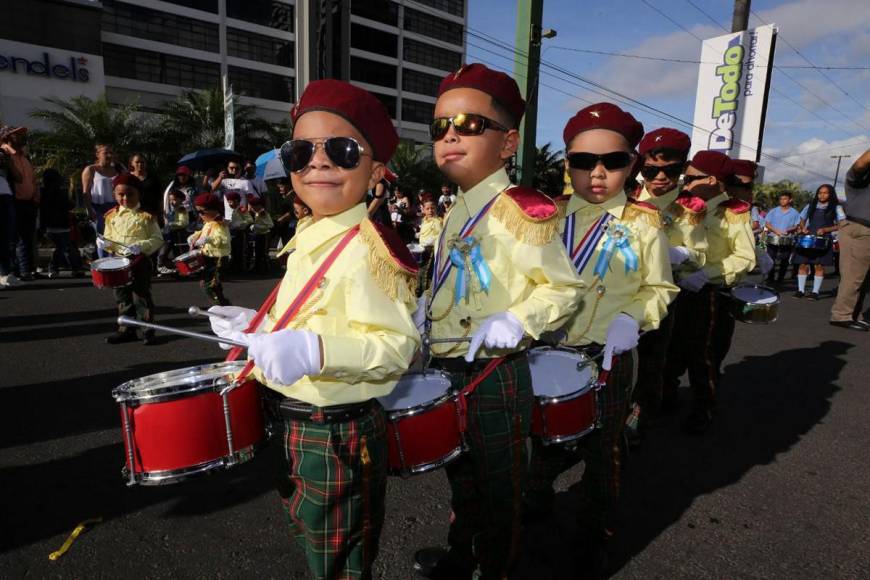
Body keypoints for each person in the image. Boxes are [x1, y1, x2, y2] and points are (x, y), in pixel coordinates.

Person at [209, 79, 419, 579]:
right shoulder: (310, 232)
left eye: (343, 151)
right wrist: (257, 327)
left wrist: (316, 351)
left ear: (376, 172)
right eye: (302, 151)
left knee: (338, 559)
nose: (319, 162)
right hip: (292, 418)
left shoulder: (371, 247)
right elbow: (309, 307)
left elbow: (397, 348)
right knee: (311, 536)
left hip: (336, 428)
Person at [418, 63, 583, 580]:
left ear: (508, 142)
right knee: (460, 476)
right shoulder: (454, 210)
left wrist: (520, 317)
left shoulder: (521, 207)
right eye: (440, 126)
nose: (450, 136)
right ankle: (460, 555)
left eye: (468, 124)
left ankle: (497, 567)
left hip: (494, 369)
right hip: (448, 363)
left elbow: (564, 287)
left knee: (499, 483)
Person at [524, 104, 677, 575]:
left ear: (632, 164)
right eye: (582, 161)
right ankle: (535, 499)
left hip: (606, 355)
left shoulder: (643, 222)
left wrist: (634, 317)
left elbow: (659, 288)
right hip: (546, 352)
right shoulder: (542, 217)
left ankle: (595, 537)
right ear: (566, 163)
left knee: (603, 452)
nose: (597, 173)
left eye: (612, 161)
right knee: (540, 441)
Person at [665, 151, 755, 433]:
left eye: (691, 178)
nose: (686, 184)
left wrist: (707, 274)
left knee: (703, 354)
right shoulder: (681, 206)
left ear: (712, 179)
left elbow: (745, 257)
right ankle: (666, 398)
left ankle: (704, 408)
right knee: (671, 349)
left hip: (710, 294)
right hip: (675, 289)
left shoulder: (733, 212)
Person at [624, 127, 701, 442]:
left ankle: (640, 418)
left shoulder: (690, 208)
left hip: (662, 295)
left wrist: (677, 254)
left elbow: (700, 254)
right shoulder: (626, 199)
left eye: (669, 169)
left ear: (682, 167)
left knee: (653, 362)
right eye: (651, 169)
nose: (659, 177)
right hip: (622, 292)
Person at [98, 174, 163, 345]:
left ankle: (147, 330)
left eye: (130, 194)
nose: (125, 198)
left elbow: (158, 239)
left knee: (140, 296)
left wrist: (141, 246)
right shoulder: (111, 216)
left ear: (139, 194)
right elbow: (109, 238)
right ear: (114, 194)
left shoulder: (146, 216)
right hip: (119, 262)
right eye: (121, 195)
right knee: (122, 297)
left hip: (139, 261)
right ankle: (126, 329)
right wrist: (105, 243)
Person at [830, 149, 870, 330]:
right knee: (853, 276)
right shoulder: (858, 182)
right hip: (859, 229)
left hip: (863, 230)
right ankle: (841, 315)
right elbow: (861, 163)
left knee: (862, 277)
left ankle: (854, 314)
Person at [793, 183, 845, 300]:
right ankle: (800, 290)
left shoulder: (837, 207)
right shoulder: (810, 205)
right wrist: (803, 228)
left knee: (819, 265)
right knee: (803, 264)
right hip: (808, 237)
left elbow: (842, 224)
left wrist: (826, 229)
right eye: (820, 193)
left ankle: (815, 292)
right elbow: (802, 218)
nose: (822, 195)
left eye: (825, 193)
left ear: (831, 194)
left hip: (824, 239)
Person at [0, 125, 39, 281]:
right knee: (13, 238)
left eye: (23, 134)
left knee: (27, 237)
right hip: (12, 201)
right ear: (8, 137)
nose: (23, 137)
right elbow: (17, 178)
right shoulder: (4, 153)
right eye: (18, 135)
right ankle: (16, 270)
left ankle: (28, 269)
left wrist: (35, 194)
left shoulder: (24, 156)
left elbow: (31, 179)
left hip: (28, 202)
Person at [39, 168, 84, 278]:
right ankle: (75, 268)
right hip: (63, 225)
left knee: (57, 249)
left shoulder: (42, 193)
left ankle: (54, 269)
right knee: (70, 248)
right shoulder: (60, 192)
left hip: (49, 226)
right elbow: (69, 205)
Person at [188, 193, 231, 306]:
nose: (200, 215)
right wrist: (194, 237)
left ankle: (221, 305)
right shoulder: (208, 223)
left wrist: (208, 239)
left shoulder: (220, 224)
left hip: (217, 258)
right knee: (209, 284)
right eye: (198, 212)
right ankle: (221, 304)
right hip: (208, 256)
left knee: (210, 285)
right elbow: (203, 232)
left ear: (214, 210)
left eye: (202, 212)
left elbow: (223, 239)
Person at [82, 144, 122, 232]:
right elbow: (86, 191)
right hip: (98, 208)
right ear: (98, 154)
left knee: (116, 235)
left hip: (116, 208)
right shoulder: (91, 169)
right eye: (106, 153)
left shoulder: (118, 170)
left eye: (111, 153)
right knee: (101, 237)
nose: (109, 155)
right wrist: (89, 210)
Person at [763, 192, 801, 284]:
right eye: (781, 199)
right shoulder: (773, 211)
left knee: (784, 259)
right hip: (772, 238)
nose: (782, 201)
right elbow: (767, 223)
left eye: (785, 199)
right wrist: (776, 231)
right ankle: (770, 277)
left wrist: (790, 229)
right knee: (771, 259)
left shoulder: (795, 213)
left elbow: (797, 225)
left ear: (790, 200)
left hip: (786, 239)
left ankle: (780, 278)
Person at [0, 127, 19, 288]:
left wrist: (7, 158)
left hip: (5, 194)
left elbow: (17, 176)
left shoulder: (4, 153)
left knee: (5, 236)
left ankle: (4, 273)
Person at [157, 190, 190, 274]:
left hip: (179, 234)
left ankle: (183, 270)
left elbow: (183, 223)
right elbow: (168, 218)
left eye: (174, 200)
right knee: (166, 250)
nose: (172, 202)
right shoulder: (172, 210)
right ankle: (166, 265)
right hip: (171, 233)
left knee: (179, 252)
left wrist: (171, 224)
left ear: (181, 199)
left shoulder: (182, 209)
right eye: (171, 200)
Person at [128, 153, 163, 224]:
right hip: (133, 214)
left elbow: (159, 196)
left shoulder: (153, 178)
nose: (140, 164)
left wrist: (160, 213)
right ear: (131, 163)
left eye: (142, 162)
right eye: (137, 162)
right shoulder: (127, 178)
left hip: (151, 213)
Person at [226, 191, 251, 274]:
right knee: (233, 250)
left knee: (240, 250)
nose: (229, 204)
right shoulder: (234, 210)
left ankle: (241, 268)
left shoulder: (241, 209)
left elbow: (250, 220)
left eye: (231, 201)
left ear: (237, 201)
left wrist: (240, 224)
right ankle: (234, 266)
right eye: (228, 201)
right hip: (233, 232)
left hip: (241, 232)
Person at [247, 194, 273, 274]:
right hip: (257, 234)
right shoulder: (256, 213)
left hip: (264, 235)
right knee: (257, 252)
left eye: (254, 206)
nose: (252, 208)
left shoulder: (264, 214)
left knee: (264, 253)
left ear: (259, 205)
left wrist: (257, 226)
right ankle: (257, 267)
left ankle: (265, 268)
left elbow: (270, 225)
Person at [272, 178, 296, 249]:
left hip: (290, 227)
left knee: (289, 248)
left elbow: (294, 211)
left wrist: (283, 218)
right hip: (284, 228)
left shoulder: (292, 197)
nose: (280, 189)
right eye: (279, 187)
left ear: (288, 186)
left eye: (281, 187)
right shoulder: (287, 196)